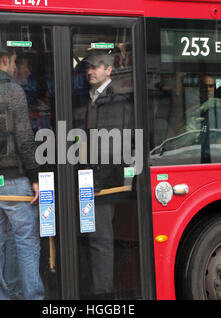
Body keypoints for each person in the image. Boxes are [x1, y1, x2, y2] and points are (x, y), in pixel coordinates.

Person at [0, 43, 44, 300]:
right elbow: (24, 136)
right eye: (14, 60)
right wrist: (35, 177)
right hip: (14, 179)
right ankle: (33, 297)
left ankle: (3, 296)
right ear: (5, 59)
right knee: (26, 241)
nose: (14, 65)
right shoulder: (11, 88)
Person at [80, 50, 132, 298]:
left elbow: (112, 147)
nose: (90, 71)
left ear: (108, 70)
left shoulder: (114, 100)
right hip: (91, 179)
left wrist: (95, 182)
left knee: (100, 239)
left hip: (103, 184)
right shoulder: (91, 98)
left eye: (96, 67)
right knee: (92, 237)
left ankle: (103, 295)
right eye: (88, 67)